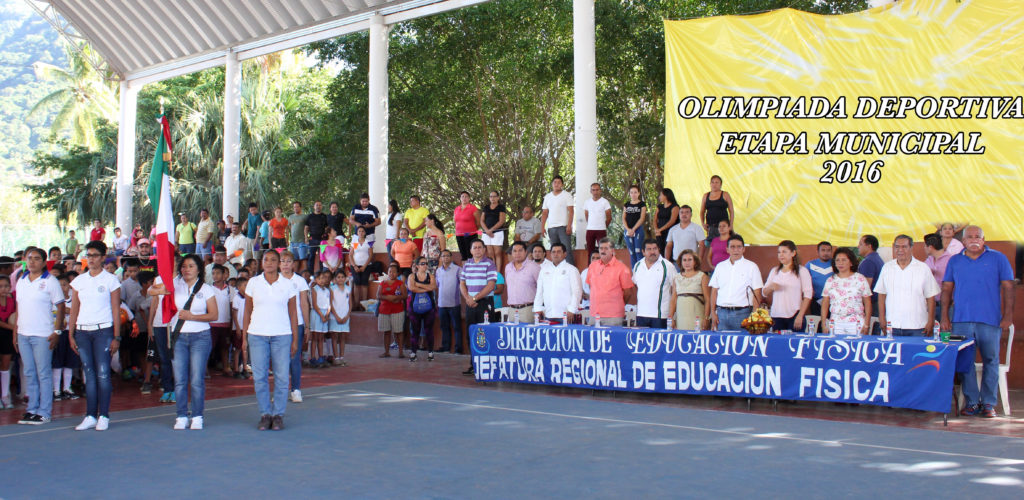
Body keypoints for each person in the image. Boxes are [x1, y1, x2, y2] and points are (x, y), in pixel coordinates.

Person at [941, 226, 1014, 418]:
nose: (974, 240)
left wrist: (1007, 316)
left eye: (978, 237)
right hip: (961, 321)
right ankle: (972, 403)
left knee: (991, 360)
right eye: (970, 237)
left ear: (983, 239)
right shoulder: (955, 260)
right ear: (963, 241)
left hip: (990, 321)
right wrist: (945, 317)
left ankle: (989, 404)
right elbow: (947, 289)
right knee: (965, 363)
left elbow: (1008, 287)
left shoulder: (998, 258)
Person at [151, 254, 218, 430]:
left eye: (190, 266)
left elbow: (214, 315)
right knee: (180, 379)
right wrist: (160, 291)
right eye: (184, 266)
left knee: (196, 379)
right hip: (178, 337)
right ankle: (181, 415)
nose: (186, 269)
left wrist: (192, 316)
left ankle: (197, 415)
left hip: (200, 337)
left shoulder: (206, 289)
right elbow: (151, 290)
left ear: (198, 269)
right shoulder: (174, 285)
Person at [242, 250, 299, 431]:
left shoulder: (288, 284)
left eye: (274, 260)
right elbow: (247, 311)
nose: (270, 263)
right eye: (266, 259)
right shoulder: (253, 283)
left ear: (279, 263)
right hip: (257, 335)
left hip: (282, 335)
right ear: (261, 262)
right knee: (260, 377)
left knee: (282, 377)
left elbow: (293, 313)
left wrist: (295, 339)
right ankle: (265, 414)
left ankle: (278, 415)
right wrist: (244, 337)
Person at [69, 241, 121, 431]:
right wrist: (71, 333)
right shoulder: (79, 281)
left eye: (94, 255)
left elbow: (116, 309)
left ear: (102, 257)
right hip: (82, 331)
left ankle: (104, 415)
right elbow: (74, 309)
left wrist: (117, 336)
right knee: (89, 375)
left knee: (103, 373)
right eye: (88, 255)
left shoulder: (111, 280)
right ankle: (90, 415)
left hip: (103, 331)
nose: (90, 259)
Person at [13, 248, 66, 423]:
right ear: (25, 260)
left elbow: (60, 307)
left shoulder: (50, 281)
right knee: (29, 372)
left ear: (44, 262)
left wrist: (57, 331)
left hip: (43, 334)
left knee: (43, 373)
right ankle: (32, 408)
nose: (32, 262)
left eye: (36, 259)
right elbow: (19, 309)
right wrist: (16, 332)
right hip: (23, 333)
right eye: (29, 258)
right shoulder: (21, 281)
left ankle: (44, 411)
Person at [875, 235, 939, 337]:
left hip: (918, 326)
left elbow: (930, 297)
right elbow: (882, 294)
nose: (900, 250)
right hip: (892, 324)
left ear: (911, 248)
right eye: (897, 247)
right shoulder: (887, 268)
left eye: (904, 247)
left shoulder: (923, 268)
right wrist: (882, 318)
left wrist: (930, 320)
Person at [708, 235, 763, 331]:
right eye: (732, 247)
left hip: (743, 314)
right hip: (722, 314)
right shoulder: (720, 267)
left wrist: (754, 315)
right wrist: (713, 313)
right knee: (723, 344)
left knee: (742, 345)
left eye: (739, 247)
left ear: (743, 249)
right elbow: (714, 291)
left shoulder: (752, 267)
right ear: (727, 249)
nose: (736, 250)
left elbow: (757, 292)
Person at [460, 239, 497, 375]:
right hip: (470, 303)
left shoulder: (490, 264)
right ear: (470, 250)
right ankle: (474, 364)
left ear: (484, 249)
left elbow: (491, 286)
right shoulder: (467, 265)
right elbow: (462, 284)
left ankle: (486, 365)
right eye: (474, 247)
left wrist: (475, 298)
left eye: (480, 247)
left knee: (484, 334)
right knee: (471, 334)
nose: (477, 250)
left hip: (484, 303)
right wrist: (468, 298)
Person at [280, 251, 310, 404]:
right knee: (280, 359)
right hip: (279, 324)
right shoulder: (275, 281)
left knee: (294, 357)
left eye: (288, 261)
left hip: (296, 324)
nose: (285, 264)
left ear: (293, 264)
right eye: (283, 261)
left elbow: (304, 303)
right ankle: (281, 390)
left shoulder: (300, 281)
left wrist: (307, 325)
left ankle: (296, 389)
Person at [820, 247, 871, 335]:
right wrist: (824, 324)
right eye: (837, 260)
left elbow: (868, 303)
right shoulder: (830, 280)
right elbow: (825, 303)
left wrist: (866, 324)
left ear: (851, 262)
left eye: (844, 260)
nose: (840, 263)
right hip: (835, 322)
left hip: (856, 322)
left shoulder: (860, 278)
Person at [763, 240, 812, 332]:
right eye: (779, 252)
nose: (781, 255)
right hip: (776, 316)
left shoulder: (802, 271)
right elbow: (764, 293)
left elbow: (808, 295)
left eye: (784, 252)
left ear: (793, 253)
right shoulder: (774, 271)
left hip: (795, 315)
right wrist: (771, 287)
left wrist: (800, 315)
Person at [586, 238, 634, 326]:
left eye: (606, 248)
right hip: (594, 315)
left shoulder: (622, 268)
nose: (603, 251)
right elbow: (591, 287)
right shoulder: (592, 266)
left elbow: (628, 292)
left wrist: (616, 304)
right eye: (601, 248)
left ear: (612, 250)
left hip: (613, 317)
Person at [632, 239, 677, 328]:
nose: (652, 252)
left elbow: (675, 291)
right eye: (649, 249)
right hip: (641, 314)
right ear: (643, 252)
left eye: (655, 248)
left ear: (659, 249)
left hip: (661, 316)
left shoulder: (668, 266)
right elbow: (635, 286)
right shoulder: (638, 265)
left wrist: (671, 316)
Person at [534, 243, 582, 324]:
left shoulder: (571, 269)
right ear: (550, 254)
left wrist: (572, 309)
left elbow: (577, 292)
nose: (556, 254)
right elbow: (539, 292)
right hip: (548, 315)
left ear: (565, 254)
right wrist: (537, 309)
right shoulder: (544, 270)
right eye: (553, 252)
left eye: (559, 252)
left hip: (566, 315)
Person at [51, 274, 80, 400]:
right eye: (59, 285)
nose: (62, 287)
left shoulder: (74, 300)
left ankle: (67, 388)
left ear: (69, 286)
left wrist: (70, 311)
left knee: (69, 362)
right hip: (58, 333)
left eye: (64, 284)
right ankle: (56, 390)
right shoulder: (52, 301)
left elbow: (78, 312)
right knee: (57, 362)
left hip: (70, 332)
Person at [669, 250, 710, 330]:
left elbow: (707, 300)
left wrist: (706, 318)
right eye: (684, 260)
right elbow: (673, 299)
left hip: (697, 314)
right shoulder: (677, 278)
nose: (687, 263)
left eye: (690, 260)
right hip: (681, 315)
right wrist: (671, 318)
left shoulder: (702, 276)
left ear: (695, 261)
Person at [407, 257, 437, 362]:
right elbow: (411, 288)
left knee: (429, 330)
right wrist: (425, 287)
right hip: (415, 308)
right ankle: (413, 353)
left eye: (426, 263)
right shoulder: (411, 276)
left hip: (429, 308)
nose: (425, 265)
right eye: (422, 263)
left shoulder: (431, 276)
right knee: (415, 331)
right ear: (417, 265)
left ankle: (430, 352)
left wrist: (418, 285)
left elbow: (433, 287)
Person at [541, 175, 575, 266]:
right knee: (555, 251)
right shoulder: (547, 197)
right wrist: (542, 227)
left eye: (559, 182)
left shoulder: (567, 195)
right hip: (551, 228)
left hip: (563, 227)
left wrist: (569, 225)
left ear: (562, 184)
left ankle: (571, 271)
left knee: (566, 250)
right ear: (552, 184)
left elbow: (571, 211)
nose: (556, 184)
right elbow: (545, 213)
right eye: (555, 182)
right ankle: (556, 271)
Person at [504, 241, 541, 323]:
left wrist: (539, 308)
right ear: (512, 253)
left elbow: (542, 288)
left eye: (520, 250)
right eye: (515, 251)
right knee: (512, 335)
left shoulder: (534, 267)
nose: (517, 253)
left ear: (526, 252)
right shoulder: (508, 267)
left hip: (528, 309)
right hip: (511, 310)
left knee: (529, 335)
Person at [208, 264, 234, 377]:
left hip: (225, 323)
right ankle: (204, 368)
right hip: (212, 323)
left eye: (218, 273)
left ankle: (226, 367)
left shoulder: (230, 290)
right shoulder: (208, 289)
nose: (215, 276)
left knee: (225, 347)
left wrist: (232, 323)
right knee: (209, 347)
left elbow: (232, 307)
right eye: (213, 273)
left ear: (224, 275)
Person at [435, 250, 463, 354]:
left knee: (457, 327)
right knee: (444, 327)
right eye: (443, 256)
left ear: (451, 257)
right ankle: (446, 347)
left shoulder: (458, 269)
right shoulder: (438, 271)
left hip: (454, 304)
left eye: (447, 256)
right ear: (441, 258)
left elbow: (462, 285)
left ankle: (458, 349)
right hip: (442, 304)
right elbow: (437, 285)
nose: (445, 258)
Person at [377, 262, 406, 358]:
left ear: (398, 273)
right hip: (384, 310)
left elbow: (405, 295)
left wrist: (395, 298)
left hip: (397, 310)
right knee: (386, 331)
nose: (391, 273)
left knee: (398, 331)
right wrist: (387, 298)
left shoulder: (400, 283)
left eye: (394, 272)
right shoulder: (383, 283)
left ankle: (401, 352)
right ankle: (386, 352)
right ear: (387, 272)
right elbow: (378, 295)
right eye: (390, 271)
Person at [699, 175, 734, 246]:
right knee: (710, 246)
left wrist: (731, 224)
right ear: (710, 184)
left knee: (724, 245)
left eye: (717, 182)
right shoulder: (706, 195)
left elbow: (731, 211)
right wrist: (703, 223)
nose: (714, 184)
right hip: (711, 226)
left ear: (720, 184)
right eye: (712, 182)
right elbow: (702, 211)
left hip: (723, 226)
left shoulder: (725, 194)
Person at [857, 234, 884, 323]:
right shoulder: (877, 258)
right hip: (877, 302)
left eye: (861, 244)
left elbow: (865, 287)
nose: (858, 247)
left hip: (872, 303)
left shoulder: (868, 262)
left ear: (869, 246)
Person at [479, 191, 508, 272]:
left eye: (494, 196)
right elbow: (482, 220)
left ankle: (497, 273)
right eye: (491, 196)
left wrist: (491, 230)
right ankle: (492, 271)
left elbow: (501, 221)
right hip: (486, 233)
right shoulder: (486, 207)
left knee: (497, 253)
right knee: (490, 253)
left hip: (497, 232)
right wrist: (487, 231)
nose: (493, 198)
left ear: (498, 197)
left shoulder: (501, 207)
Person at [308, 270, 332, 368]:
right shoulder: (314, 289)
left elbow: (329, 304)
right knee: (315, 337)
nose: (322, 280)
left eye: (324, 278)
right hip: (316, 314)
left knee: (321, 337)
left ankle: (321, 356)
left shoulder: (327, 290)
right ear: (316, 280)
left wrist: (327, 314)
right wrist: (322, 316)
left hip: (324, 314)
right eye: (319, 278)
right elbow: (314, 304)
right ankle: (313, 357)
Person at [328, 269, 350, 366]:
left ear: (345, 278)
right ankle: (336, 357)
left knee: (343, 337)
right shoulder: (332, 289)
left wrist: (347, 315)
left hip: (345, 316)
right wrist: (336, 316)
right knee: (334, 337)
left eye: (342, 277)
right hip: (334, 317)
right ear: (335, 279)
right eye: (338, 277)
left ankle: (342, 357)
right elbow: (331, 304)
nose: (340, 279)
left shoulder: (348, 288)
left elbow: (350, 303)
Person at [621, 185, 647, 268]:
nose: (633, 194)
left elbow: (642, 218)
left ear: (639, 193)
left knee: (638, 251)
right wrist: (628, 229)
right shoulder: (627, 204)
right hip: (627, 231)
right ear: (629, 194)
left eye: (635, 192)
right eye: (631, 192)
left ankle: (641, 271)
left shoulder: (642, 204)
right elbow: (623, 218)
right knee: (631, 252)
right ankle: (634, 272)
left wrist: (633, 229)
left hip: (638, 230)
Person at [0, 276, 16, 409]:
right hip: (5, 331)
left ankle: (5, 395)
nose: (3, 289)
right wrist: (14, 328)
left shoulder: (12, 301)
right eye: (0, 286)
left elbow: (15, 316)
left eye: (6, 286)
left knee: (5, 365)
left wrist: (14, 329)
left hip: (8, 336)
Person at [805, 241, 834, 316]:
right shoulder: (810, 264)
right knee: (817, 323)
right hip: (816, 300)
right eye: (823, 250)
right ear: (818, 252)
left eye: (828, 250)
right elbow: (804, 281)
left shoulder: (836, 264)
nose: (826, 253)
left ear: (831, 251)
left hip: (833, 301)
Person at [583, 183, 612, 255]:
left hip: (601, 230)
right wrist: (591, 224)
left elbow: (609, 217)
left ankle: (603, 266)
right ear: (591, 191)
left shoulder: (605, 202)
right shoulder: (587, 202)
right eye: (593, 190)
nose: (595, 192)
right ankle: (591, 266)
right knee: (590, 251)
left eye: (597, 190)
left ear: (600, 191)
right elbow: (587, 216)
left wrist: (603, 226)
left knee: (603, 251)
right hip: (590, 230)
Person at [349, 226, 373, 309]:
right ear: (357, 233)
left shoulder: (368, 242)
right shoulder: (354, 243)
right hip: (355, 265)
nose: (361, 233)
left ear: (365, 233)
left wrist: (364, 266)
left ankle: (364, 305)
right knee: (356, 283)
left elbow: (370, 256)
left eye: (363, 231)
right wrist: (354, 266)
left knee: (364, 284)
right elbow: (350, 255)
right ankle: (356, 304)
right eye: (359, 231)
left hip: (366, 266)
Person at [454, 192, 480, 261]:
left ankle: (472, 270)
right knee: (463, 255)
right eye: (462, 196)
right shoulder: (457, 209)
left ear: (469, 198)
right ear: (460, 198)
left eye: (466, 197)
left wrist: (472, 230)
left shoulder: (473, 208)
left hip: (470, 235)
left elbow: (478, 222)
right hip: (459, 234)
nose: (464, 198)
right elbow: (455, 221)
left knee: (470, 254)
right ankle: (464, 270)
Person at [652, 188, 679, 256]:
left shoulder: (675, 207)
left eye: (661, 195)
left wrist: (660, 229)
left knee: (669, 251)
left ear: (666, 196)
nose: (659, 197)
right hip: (659, 233)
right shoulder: (659, 207)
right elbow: (655, 219)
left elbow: (672, 221)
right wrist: (656, 229)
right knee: (660, 250)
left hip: (670, 232)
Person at [305, 201, 328, 273]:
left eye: (320, 205)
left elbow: (327, 228)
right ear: (314, 207)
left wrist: (326, 235)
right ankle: (310, 274)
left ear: (321, 207)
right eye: (317, 205)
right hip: (312, 239)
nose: (318, 206)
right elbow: (306, 228)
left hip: (323, 240)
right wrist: (306, 238)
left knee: (322, 257)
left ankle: (322, 273)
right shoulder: (310, 216)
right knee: (311, 256)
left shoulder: (324, 216)